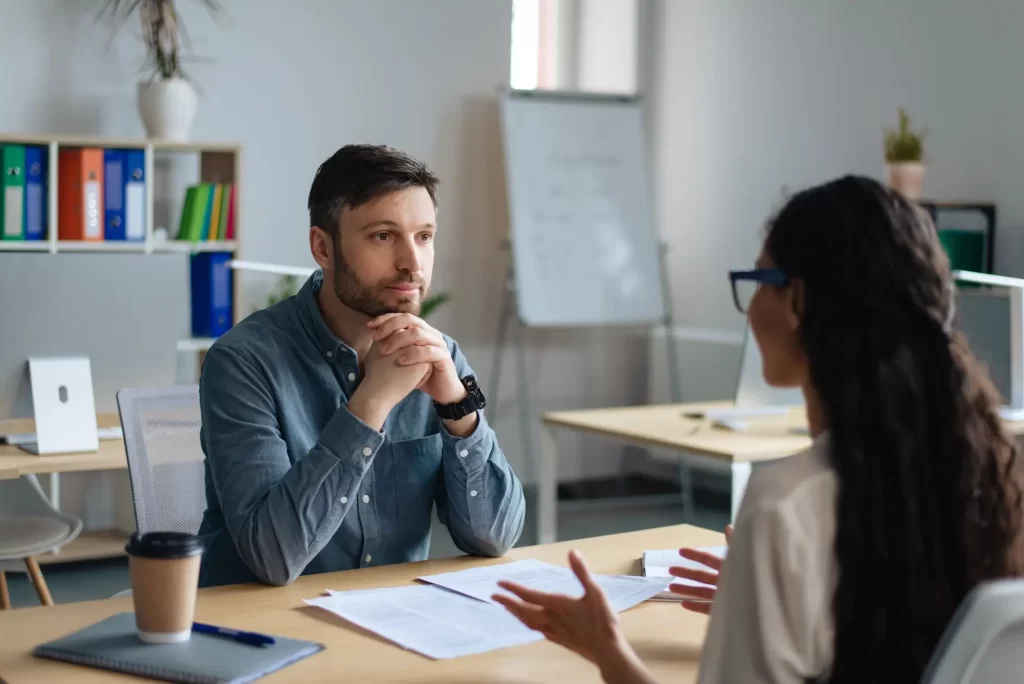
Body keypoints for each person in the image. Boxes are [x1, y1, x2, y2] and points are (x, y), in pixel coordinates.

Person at [493, 175, 1024, 683]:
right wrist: (769, 597)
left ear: (797, 301)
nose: (750, 308)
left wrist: (607, 651)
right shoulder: (998, 472)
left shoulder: (786, 503)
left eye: (757, 281)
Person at [196, 144, 525, 588]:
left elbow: (495, 536)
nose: (412, 263)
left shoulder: (437, 354)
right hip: (260, 628)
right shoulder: (243, 362)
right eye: (383, 236)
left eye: (424, 236)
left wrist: (457, 407)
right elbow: (271, 557)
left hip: (388, 625)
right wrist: (372, 402)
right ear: (323, 248)